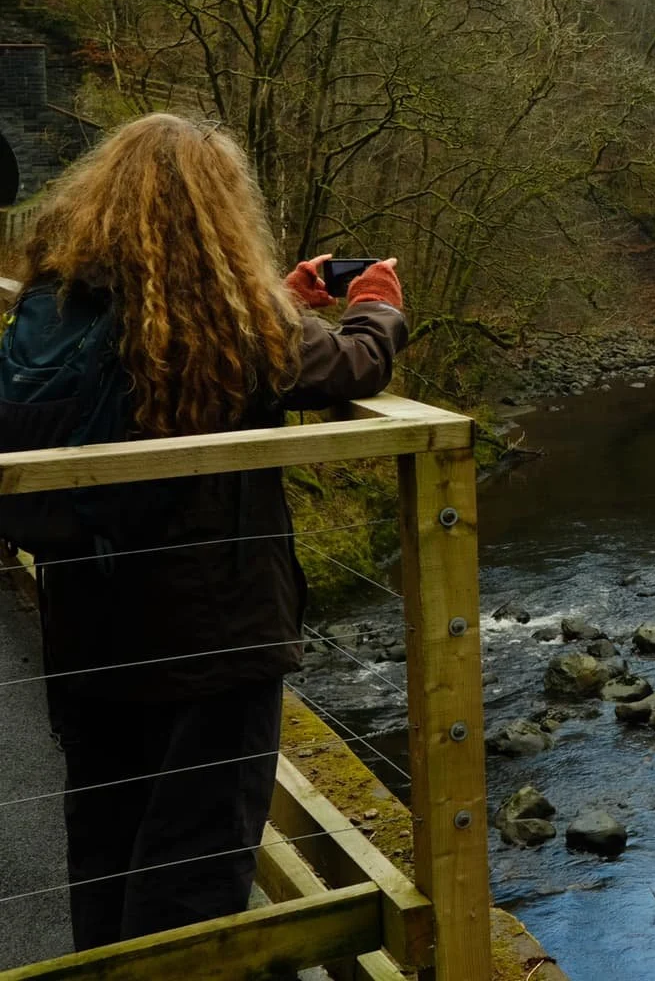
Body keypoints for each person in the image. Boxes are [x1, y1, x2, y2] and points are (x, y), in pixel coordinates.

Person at [0, 114, 406, 950]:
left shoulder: (58, 303)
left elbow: (167, 367)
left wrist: (285, 301)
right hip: (213, 643)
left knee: (107, 847)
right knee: (195, 872)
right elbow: (350, 366)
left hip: (87, 625)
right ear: (220, 217)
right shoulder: (219, 323)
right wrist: (377, 307)